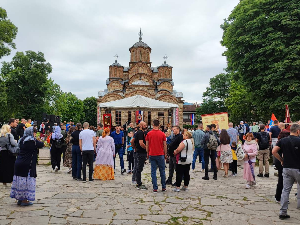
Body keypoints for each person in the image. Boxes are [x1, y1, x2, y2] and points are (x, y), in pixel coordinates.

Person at [10, 127, 44, 206]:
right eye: (34, 132)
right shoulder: (32, 141)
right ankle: (24, 200)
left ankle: (19, 199)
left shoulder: (22, 140)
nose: (35, 134)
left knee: (19, 182)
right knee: (26, 183)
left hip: (19, 162)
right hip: (27, 164)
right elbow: (41, 144)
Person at [272, 124, 300, 220]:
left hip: (287, 168)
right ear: (298, 131)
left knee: (286, 190)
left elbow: (274, 151)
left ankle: (283, 212)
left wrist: (281, 160)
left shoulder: (283, 140)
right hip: (298, 168)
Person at [146, 120, 167, 193]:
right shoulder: (162, 134)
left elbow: (147, 145)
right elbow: (165, 145)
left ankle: (155, 187)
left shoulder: (149, 134)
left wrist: (147, 153)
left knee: (153, 171)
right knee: (162, 171)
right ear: (159, 125)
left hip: (152, 154)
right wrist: (165, 153)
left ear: (152, 124)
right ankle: (163, 186)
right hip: (160, 154)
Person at [274, 130, 290, 204]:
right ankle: (279, 196)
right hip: (281, 162)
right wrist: (281, 160)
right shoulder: (284, 142)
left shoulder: (279, 142)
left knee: (282, 179)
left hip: (278, 161)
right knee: (282, 180)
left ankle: (279, 196)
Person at [135, 121, 148, 190]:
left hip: (139, 151)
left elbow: (132, 141)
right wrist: (147, 149)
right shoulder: (140, 133)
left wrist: (134, 148)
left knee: (139, 167)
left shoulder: (140, 132)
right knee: (139, 167)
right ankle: (138, 182)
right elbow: (141, 143)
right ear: (140, 126)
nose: (145, 126)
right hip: (141, 152)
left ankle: (138, 181)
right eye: (144, 125)